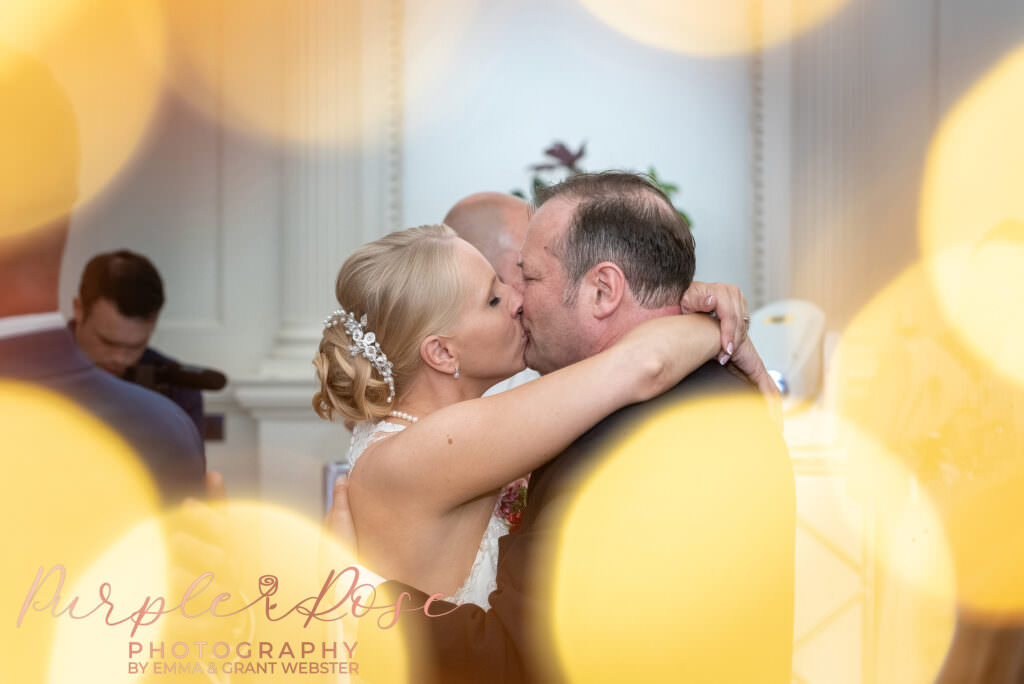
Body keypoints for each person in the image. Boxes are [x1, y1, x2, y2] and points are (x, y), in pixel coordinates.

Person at [332, 172, 793, 683]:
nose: (517, 300)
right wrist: (711, 327)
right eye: (495, 295)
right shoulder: (448, 442)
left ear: (603, 289)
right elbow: (644, 363)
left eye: (525, 279)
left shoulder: (598, 433)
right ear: (441, 352)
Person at [0, 51, 205, 505]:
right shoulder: (164, 430)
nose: (118, 357)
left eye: (129, 347)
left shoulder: (171, 414)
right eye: (109, 342)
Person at [71, 249, 206, 439]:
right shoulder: (27, 373)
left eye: (136, 346)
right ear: (79, 310)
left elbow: (188, 468)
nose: (121, 359)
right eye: (108, 342)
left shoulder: (178, 392)